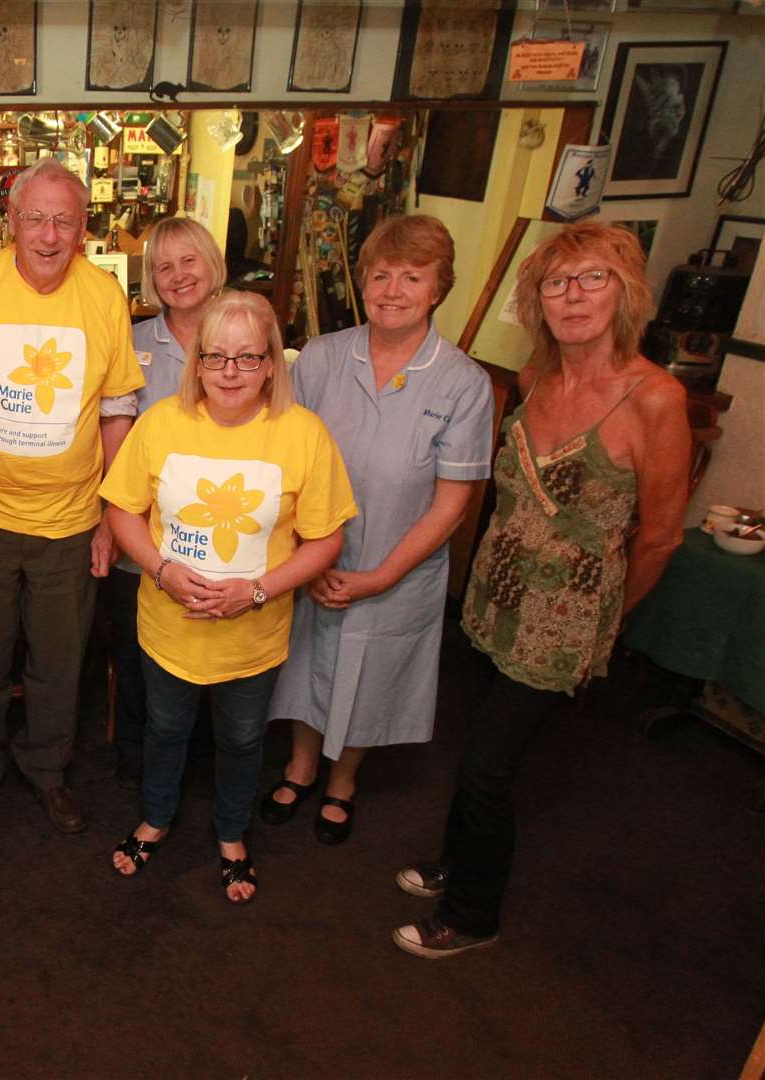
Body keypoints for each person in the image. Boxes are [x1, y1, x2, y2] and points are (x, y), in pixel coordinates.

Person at [393, 221, 691, 957]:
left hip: (564, 620)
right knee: (474, 741)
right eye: (556, 283)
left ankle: (472, 914)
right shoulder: (535, 378)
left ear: (626, 292)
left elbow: (660, 537)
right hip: (496, 598)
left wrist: (603, 619)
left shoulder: (656, 398)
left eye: (593, 278)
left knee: (488, 766)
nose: (574, 296)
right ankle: (456, 861)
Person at [99, 290, 356, 903]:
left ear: (272, 363)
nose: (231, 372)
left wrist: (258, 590)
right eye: (215, 357)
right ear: (197, 365)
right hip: (168, 627)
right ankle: (156, 818)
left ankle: (232, 834)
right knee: (165, 730)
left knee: (242, 740)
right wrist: (160, 570)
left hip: (253, 635)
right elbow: (121, 510)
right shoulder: (161, 422)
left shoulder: (302, 434)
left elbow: (327, 539)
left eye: (247, 357)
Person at [259, 215, 494, 845]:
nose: (392, 290)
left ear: (438, 288)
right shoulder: (322, 357)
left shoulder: (464, 383)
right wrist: (304, 558)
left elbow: (453, 503)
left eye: (411, 277)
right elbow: (280, 456)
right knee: (309, 661)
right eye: (381, 275)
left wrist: (382, 574)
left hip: (398, 562)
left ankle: (344, 782)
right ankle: (302, 765)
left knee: (372, 670)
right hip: (312, 554)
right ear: (362, 282)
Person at [0, 157, 145, 836]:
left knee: (60, 664)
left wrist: (113, 516)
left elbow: (118, 411)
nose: (49, 234)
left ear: (82, 228)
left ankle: (47, 770)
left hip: (73, 521)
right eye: (36, 218)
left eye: (64, 220)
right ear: (11, 222)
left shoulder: (105, 296)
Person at [105, 216, 226, 791]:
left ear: (212, 263)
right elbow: (116, 438)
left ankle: (198, 767)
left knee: (215, 657)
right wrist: (110, 522)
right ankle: (138, 767)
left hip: (227, 530)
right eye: (163, 267)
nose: (177, 277)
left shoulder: (244, 332)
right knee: (136, 663)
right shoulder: (134, 344)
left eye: (188, 261)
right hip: (145, 541)